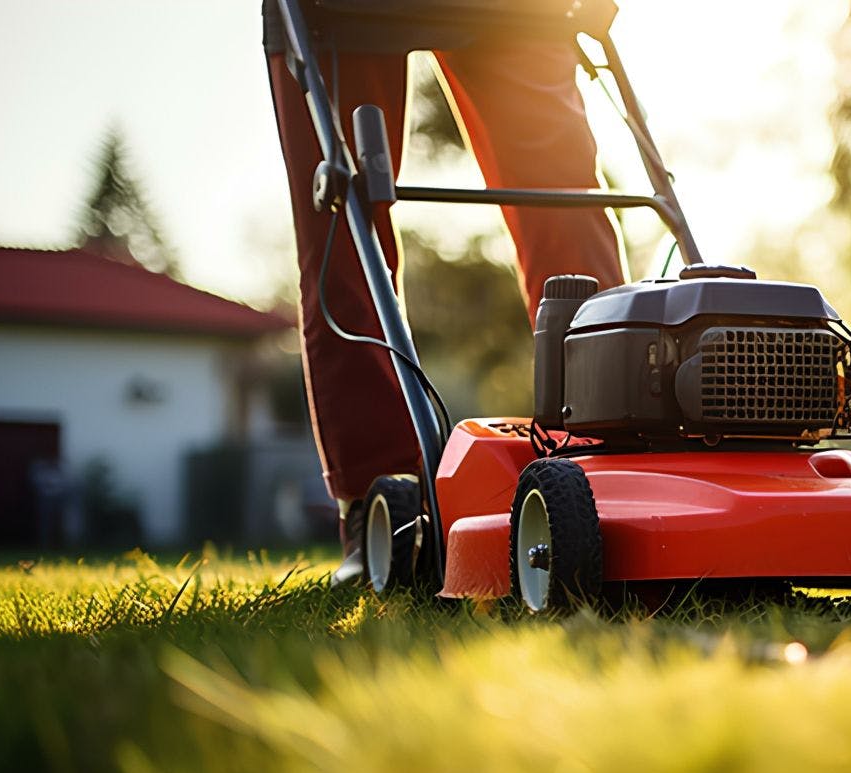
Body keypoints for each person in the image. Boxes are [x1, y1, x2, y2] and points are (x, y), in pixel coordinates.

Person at [263, 0, 624, 582]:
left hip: (519, 11)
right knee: (345, 234)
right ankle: (382, 501)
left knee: (567, 210)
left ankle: (618, 449)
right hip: (338, 13)